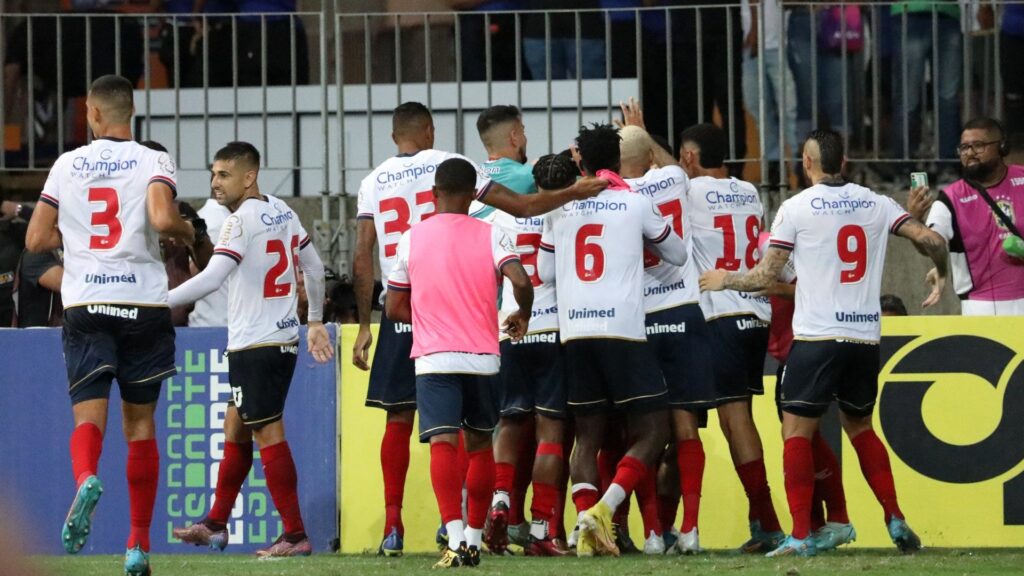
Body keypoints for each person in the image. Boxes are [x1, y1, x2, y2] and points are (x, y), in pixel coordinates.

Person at [351, 101, 605, 557]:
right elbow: (525, 209)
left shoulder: (376, 186)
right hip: (477, 326)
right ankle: (479, 528)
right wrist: (575, 192)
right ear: (429, 131)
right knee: (483, 435)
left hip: (411, 309)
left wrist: (365, 325)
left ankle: (396, 525)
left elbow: (363, 255)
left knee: (404, 421)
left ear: (394, 137)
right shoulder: (465, 180)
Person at [700, 128, 948, 557]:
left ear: (807, 163)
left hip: (816, 337)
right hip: (864, 338)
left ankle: (799, 535)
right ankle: (895, 516)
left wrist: (725, 280)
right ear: (846, 162)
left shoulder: (795, 208)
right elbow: (931, 240)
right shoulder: (877, 202)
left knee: (796, 430)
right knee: (861, 427)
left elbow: (763, 277)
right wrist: (942, 272)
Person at [24, 74, 195, 576]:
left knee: (88, 420)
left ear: (93, 115)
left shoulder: (66, 163)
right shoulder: (153, 159)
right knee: (141, 427)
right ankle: (137, 546)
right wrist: (187, 230)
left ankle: (84, 478)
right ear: (131, 113)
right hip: (141, 304)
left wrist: (75, 234)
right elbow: (163, 220)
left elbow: (35, 239)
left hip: (87, 304)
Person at [167, 141, 334, 558]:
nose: (214, 182)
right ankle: (216, 522)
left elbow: (211, 279)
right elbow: (314, 267)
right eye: (213, 173)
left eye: (223, 174)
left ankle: (295, 534)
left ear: (249, 176)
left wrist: (158, 301)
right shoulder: (283, 210)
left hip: (255, 344)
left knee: (267, 431)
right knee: (235, 426)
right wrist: (312, 320)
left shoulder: (240, 221)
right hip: (278, 338)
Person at [538, 123, 686, 557]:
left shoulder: (558, 207)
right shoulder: (634, 203)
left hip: (577, 333)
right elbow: (676, 254)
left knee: (588, 436)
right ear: (619, 161)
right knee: (654, 429)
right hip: (623, 331)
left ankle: (586, 528)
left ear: (580, 161)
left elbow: (545, 273)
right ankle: (605, 508)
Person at [384, 157, 534, 568]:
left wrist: (428, 315)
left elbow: (394, 304)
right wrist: (522, 314)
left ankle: (453, 538)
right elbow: (521, 281)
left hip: (434, 357)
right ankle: (473, 537)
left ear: (434, 194)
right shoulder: (494, 234)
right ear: (473, 195)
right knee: (481, 444)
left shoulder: (412, 237)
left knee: (443, 443)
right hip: (483, 356)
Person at [679, 122, 785, 554]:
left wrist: (642, 135)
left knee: (732, 417)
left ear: (689, 157)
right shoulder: (749, 192)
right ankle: (763, 518)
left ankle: (768, 520)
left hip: (721, 312)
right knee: (737, 414)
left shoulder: (690, 192)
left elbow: (667, 173)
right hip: (756, 314)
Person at [616, 113, 715, 555]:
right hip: (685, 312)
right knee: (686, 429)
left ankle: (654, 533)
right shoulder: (675, 176)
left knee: (646, 434)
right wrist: (644, 134)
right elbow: (667, 160)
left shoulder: (617, 196)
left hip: (642, 322)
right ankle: (690, 528)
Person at [483, 154, 576, 556]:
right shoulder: (568, 217)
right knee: (550, 432)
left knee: (508, 422)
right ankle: (541, 528)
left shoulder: (499, 220)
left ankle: (501, 499)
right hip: (553, 328)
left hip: (509, 329)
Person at [907, 118, 1024, 315]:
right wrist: (915, 223)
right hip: (980, 307)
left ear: (1002, 147)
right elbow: (932, 245)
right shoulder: (950, 198)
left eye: (978, 146)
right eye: (964, 147)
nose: (969, 153)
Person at [889, 1, 963, 163]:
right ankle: (904, 165)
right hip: (911, 12)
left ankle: (947, 164)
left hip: (943, 14)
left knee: (946, 98)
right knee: (910, 99)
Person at [471, 104, 536, 220]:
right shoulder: (529, 174)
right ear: (514, 137)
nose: (525, 139)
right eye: (523, 131)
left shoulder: (469, 178)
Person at [13, 247, 63, 328]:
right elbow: (68, 284)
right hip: (37, 335)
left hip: (66, 331)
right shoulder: (35, 254)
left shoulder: (65, 250)